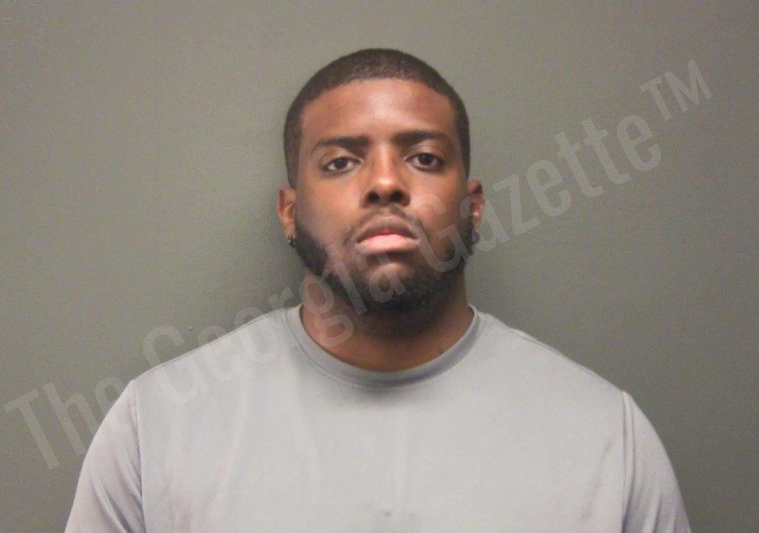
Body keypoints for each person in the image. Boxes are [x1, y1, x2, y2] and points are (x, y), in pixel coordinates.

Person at [66, 49, 690, 532]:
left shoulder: (605, 436)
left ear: (473, 205)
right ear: (289, 211)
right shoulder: (158, 425)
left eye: (424, 157)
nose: (385, 183)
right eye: (340, 162)